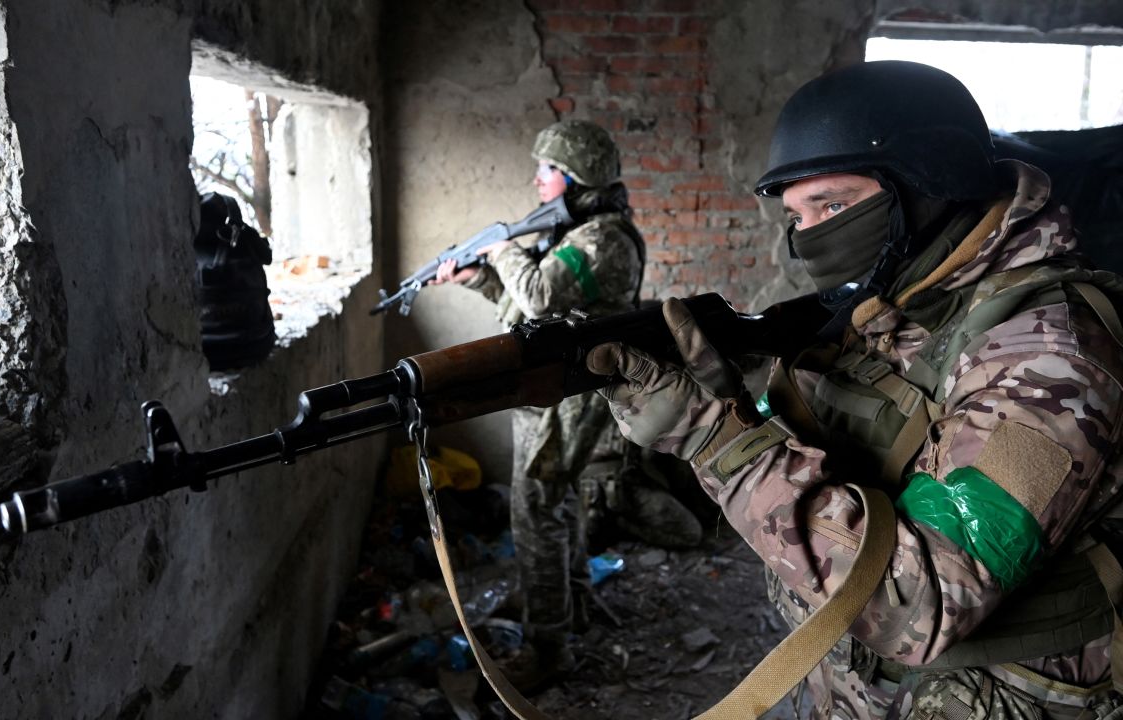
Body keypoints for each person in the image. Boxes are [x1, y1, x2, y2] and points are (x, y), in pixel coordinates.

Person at [588, 60, 1123, 720]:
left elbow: (919, 602)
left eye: (834, 206)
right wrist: (737, 408)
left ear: (929, 185)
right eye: (797, 216)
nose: (811, 237)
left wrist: (715, 442)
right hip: (854, 685)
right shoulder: (895, 303)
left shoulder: (1050, 355)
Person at [431, 119, 703, 689]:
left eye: (547, 170)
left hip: (565, 399)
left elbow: (535, 294)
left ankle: (548, 650)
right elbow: (523, 309)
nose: (537, 179)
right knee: (556, 506)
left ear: (576, 176)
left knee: (534, 514)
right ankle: (573, 607)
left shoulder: (599, 239)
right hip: (550, 392)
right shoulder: (574, 233)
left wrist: (503, 248)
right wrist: (475, 275)